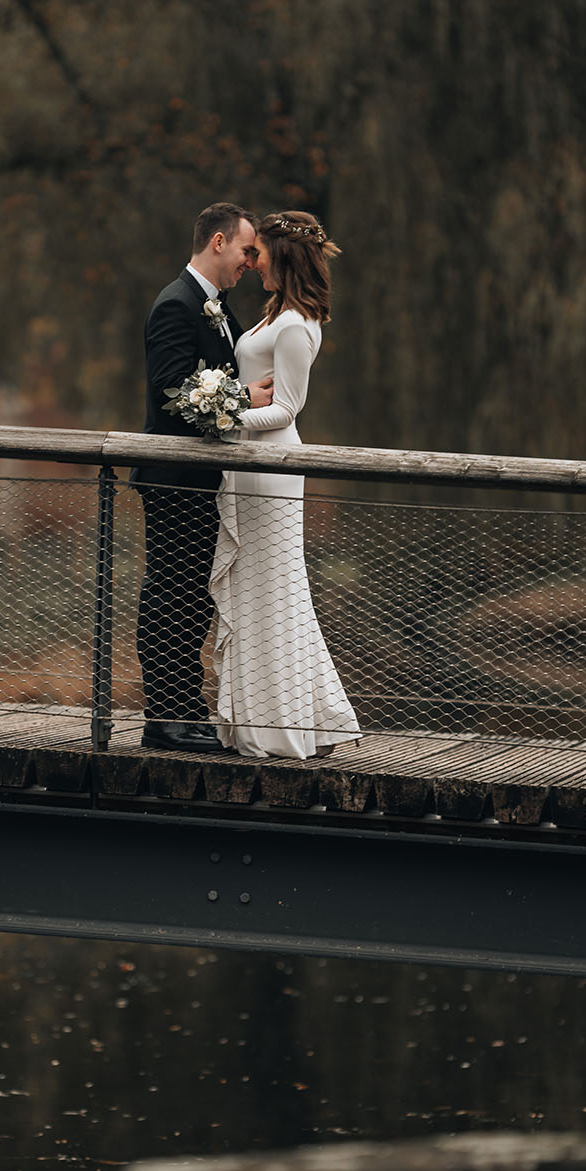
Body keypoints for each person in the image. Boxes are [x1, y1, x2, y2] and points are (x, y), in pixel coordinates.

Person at [209, 210, 361, 760]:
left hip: (269, 468)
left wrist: (222, 422)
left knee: (272, 587)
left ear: (284, 255)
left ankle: (278, 723)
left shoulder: (296, 325)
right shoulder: (275, 316)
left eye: (259, 253)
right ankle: (266, 714)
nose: (251, 262)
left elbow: (287, 409)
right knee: (256, 588)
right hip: (249, 465)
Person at [135, 202, 274, 752]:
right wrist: (242, 401)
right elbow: (173, 391)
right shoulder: (176, 305)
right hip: (174, 477)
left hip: (201, 479)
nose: (249, 262)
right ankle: (163, 718)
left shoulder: (214, 307)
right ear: (218, 242)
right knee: (171, 593)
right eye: (245, 251)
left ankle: (186, 706)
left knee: (193, 596)